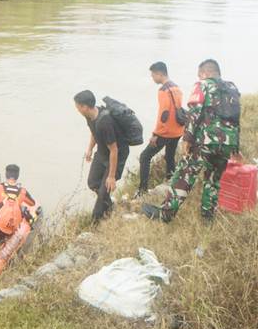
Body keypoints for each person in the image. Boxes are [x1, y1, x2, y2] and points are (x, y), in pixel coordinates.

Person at [143, 59, 241, 223]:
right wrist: (235, 147)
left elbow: (194, 113)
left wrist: (187, 139)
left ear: (205, 73)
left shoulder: (202, 85)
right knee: (213, 180)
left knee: (184, 174)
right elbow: (236, 118)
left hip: (206, 140)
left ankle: (165, 214)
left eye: (199, 74)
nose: (198, 77)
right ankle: (207, 217)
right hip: (228, 143)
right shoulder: (232, 88)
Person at [74, 90, 130, 224]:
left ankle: (95, 224)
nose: (76, 109)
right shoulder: (89, 116)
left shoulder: (105, 122)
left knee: (103, 193)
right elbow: (94, 132)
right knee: (93, 183)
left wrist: (111, 177)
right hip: (102, 152)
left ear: (85, 107)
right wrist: (90, 148)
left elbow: (114, 150)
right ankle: (109, 206)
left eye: (77, 106)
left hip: (116, 155)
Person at [137, 62, 185, 197]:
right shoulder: (177, 88)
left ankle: (142, 190)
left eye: (153, 75)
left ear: (160, 74)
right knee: (169, 156)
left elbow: (163, 115)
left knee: (144, 157)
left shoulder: (163, 90)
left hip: (166, 131)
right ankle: (171, 182)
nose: (152, 78)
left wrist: (155, 134)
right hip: (178, 130)